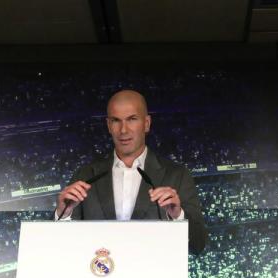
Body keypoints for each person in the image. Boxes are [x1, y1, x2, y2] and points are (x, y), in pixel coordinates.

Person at [54, 89, 208, 254]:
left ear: (146, 123)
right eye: (116, 120)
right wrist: (63, 214)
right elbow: (61, 247)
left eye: (132, 119)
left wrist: (178, 216)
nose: (123, 130)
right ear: (108, 125)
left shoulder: (177, 175)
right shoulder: (85, 175)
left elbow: (198, 245)